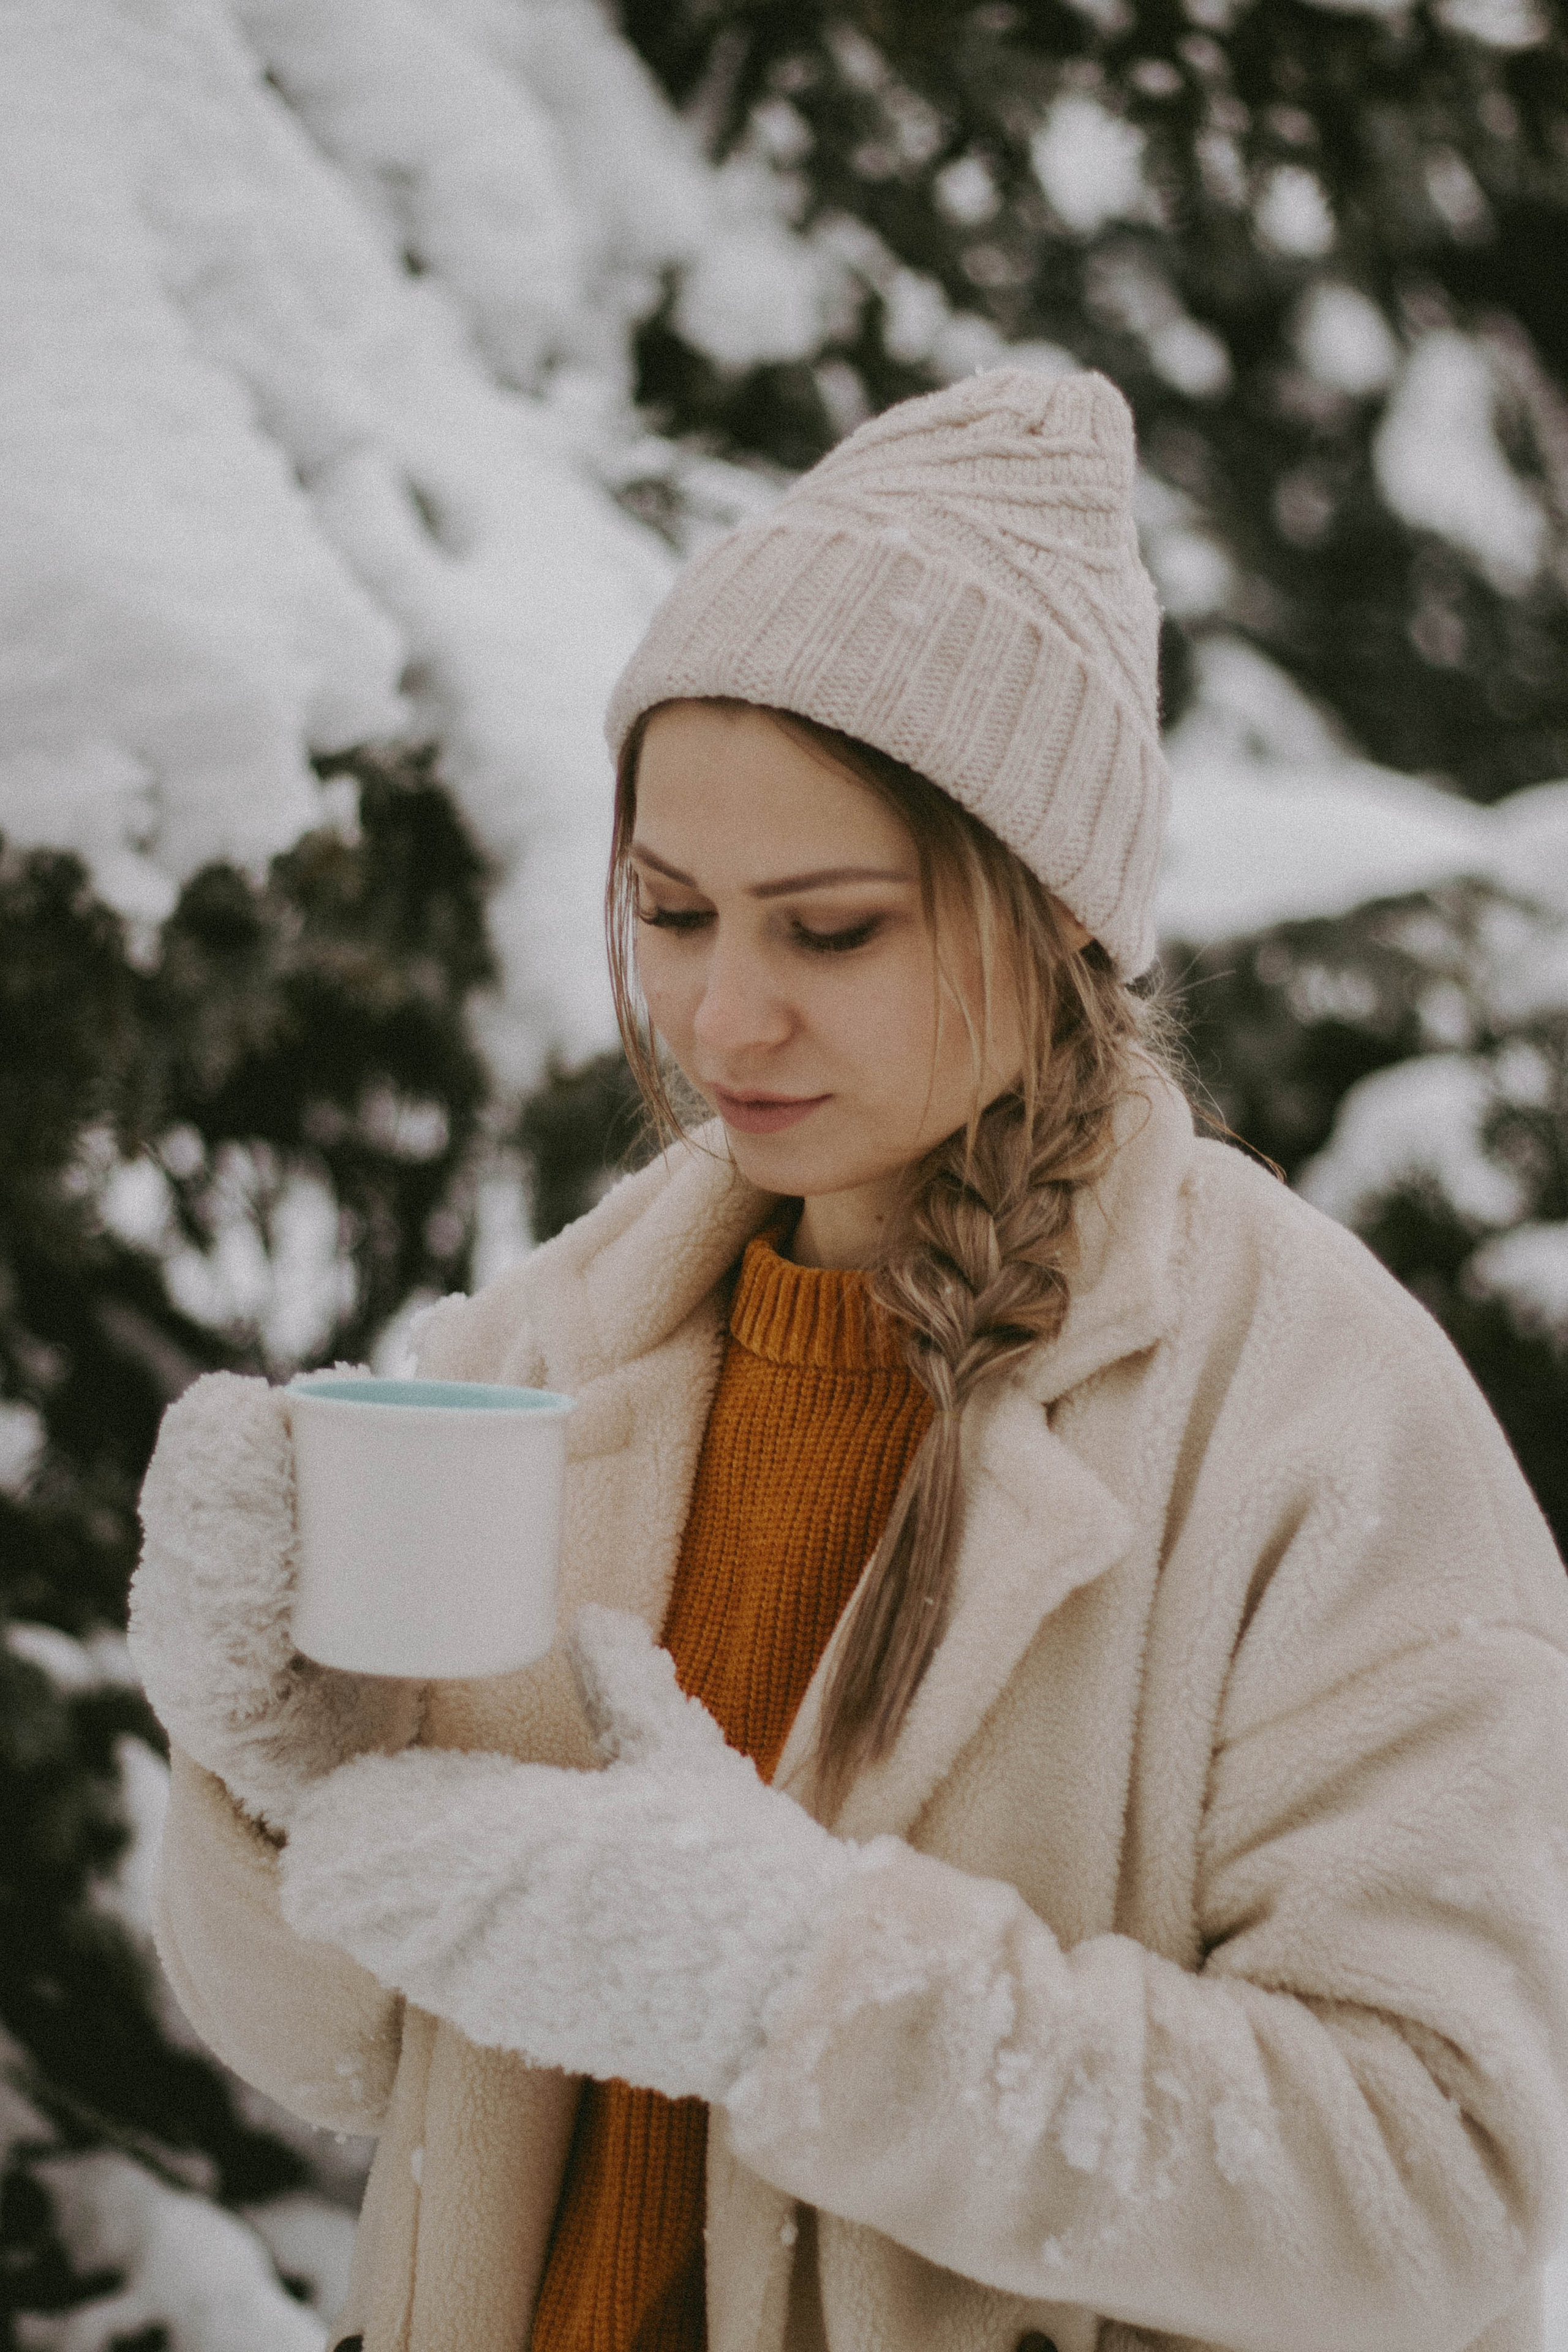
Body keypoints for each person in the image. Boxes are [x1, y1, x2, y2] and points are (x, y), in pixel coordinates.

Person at [130, 369, 1568, 2352]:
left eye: (830, 931)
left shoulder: (1317, 1420)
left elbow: (1438, 2189)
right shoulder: (545, 1351)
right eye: (672, 911)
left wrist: (795, 1979)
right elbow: (351, 2068)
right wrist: (287, 1777)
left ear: (1055, 912)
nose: (723, 1015)